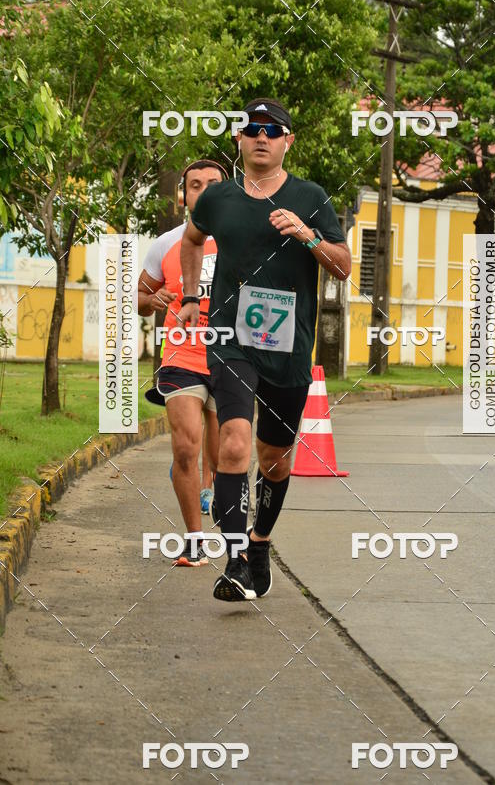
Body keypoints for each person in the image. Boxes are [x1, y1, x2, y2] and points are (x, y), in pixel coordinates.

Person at [179, 99, 351, 600]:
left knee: (274, 460)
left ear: (287, 141)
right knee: (233, 440)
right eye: (251, 129)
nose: (261, 136)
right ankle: (234, 561)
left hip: (289, 348)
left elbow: (341, 265)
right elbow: (192, 242)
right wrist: (192, 296)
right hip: (231, 337)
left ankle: (259, 546)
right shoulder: (217, 199)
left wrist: (308, 235)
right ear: (238, 138)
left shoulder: (311, 196)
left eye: (272, 130)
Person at [137, 159, 227, 567]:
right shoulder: (166, 243)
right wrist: (151, 300)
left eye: (213, 184)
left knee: (225, 452)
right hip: (181, 353)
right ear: (184, 196)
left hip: (231, 356)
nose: (204, 191)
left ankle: (210, 489)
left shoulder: (242, 239)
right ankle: (195, 540)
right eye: (195, 185)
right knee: (185, 445)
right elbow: (137, 296)